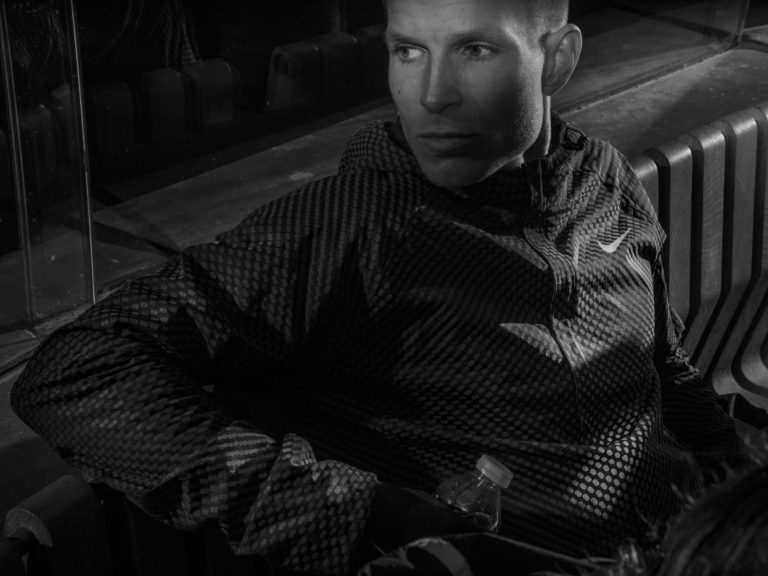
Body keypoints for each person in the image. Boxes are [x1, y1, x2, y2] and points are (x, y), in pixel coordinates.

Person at [10, 0, 746, 574]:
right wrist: (356, 514)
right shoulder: (353, 221)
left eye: (475, 50)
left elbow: (662, 367)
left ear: (558, 60)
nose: (432, 94)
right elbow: (77, 371)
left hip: (692, 543)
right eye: (407, 51)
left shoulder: (604, 179)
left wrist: (740, 487)